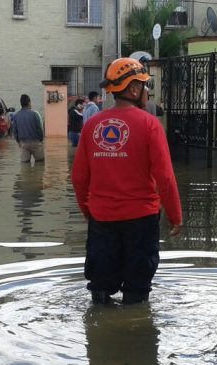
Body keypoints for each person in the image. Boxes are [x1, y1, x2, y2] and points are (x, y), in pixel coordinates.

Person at [72, 57, 183, 305]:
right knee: (137, 288)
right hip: (141, 221)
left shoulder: (91, 126)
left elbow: (79, 178)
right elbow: (165, 176)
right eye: (145, 86)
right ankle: (135, 335)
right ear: (134, 89)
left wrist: (87, 210)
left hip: (102, 219)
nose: (147, 92)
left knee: (100, 289)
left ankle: (100, 337)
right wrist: (176, 215)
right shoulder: (150, 125)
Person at [12, 94, 45, 162]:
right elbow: (40, 128)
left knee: (25, 166)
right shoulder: (35, 114)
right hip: (36, 142)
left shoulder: (16, 115)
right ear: (29, 102)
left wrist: (19, 141)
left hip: (23, 144)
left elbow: (15, 131)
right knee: (39, 165)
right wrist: (41, 140)